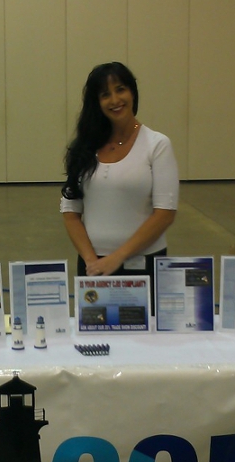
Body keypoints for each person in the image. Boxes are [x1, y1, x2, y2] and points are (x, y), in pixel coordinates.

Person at [60, 62, 179, 294]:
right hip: (93, 267)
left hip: (143, 265)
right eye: (105, 94)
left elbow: (165, 214)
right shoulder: (84, 148)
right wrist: (91, 261)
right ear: (97, 102)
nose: (115, 100)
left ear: (132, 92)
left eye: (120, 89)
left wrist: (117, 258)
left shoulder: (157, 145)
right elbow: (70, 212)